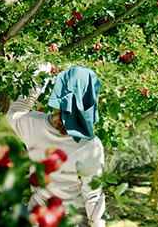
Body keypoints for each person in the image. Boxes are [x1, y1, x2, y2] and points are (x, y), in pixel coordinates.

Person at [7, 64, 106, 227]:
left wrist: (35, 86)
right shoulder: (91, 146)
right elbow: (93, 196)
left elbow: (14, 113)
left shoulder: (33, 123)